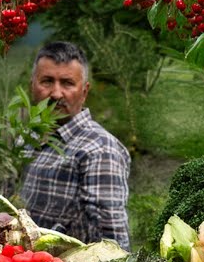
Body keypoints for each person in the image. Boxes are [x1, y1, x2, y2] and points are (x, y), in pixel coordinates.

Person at [19, 41, 131, 248]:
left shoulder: (99, 149)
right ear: (32, 85)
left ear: (84, 91)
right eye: (47, 81)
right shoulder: (26, 139)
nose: (56, 94)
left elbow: (113, 240)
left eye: (67, 83)